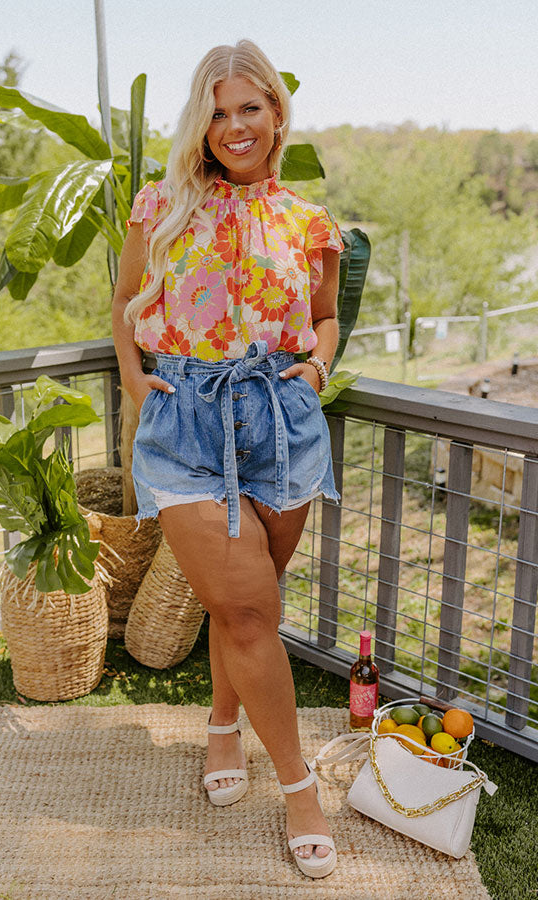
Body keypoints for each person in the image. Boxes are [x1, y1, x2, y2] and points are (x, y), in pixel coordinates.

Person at [111, 39, 343, 879]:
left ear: (276, 113)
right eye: (217, 113)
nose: (234, 126)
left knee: (248, 608)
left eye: (249, 107)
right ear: (201, 125)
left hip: (281, 420)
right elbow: (125, 300)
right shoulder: (162, 204)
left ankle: (221, 727)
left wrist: (317, 368)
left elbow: (325, 317)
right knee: (246, 610)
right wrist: (133, 375)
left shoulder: (310, 221)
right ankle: (301, 791)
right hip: (186, 424)